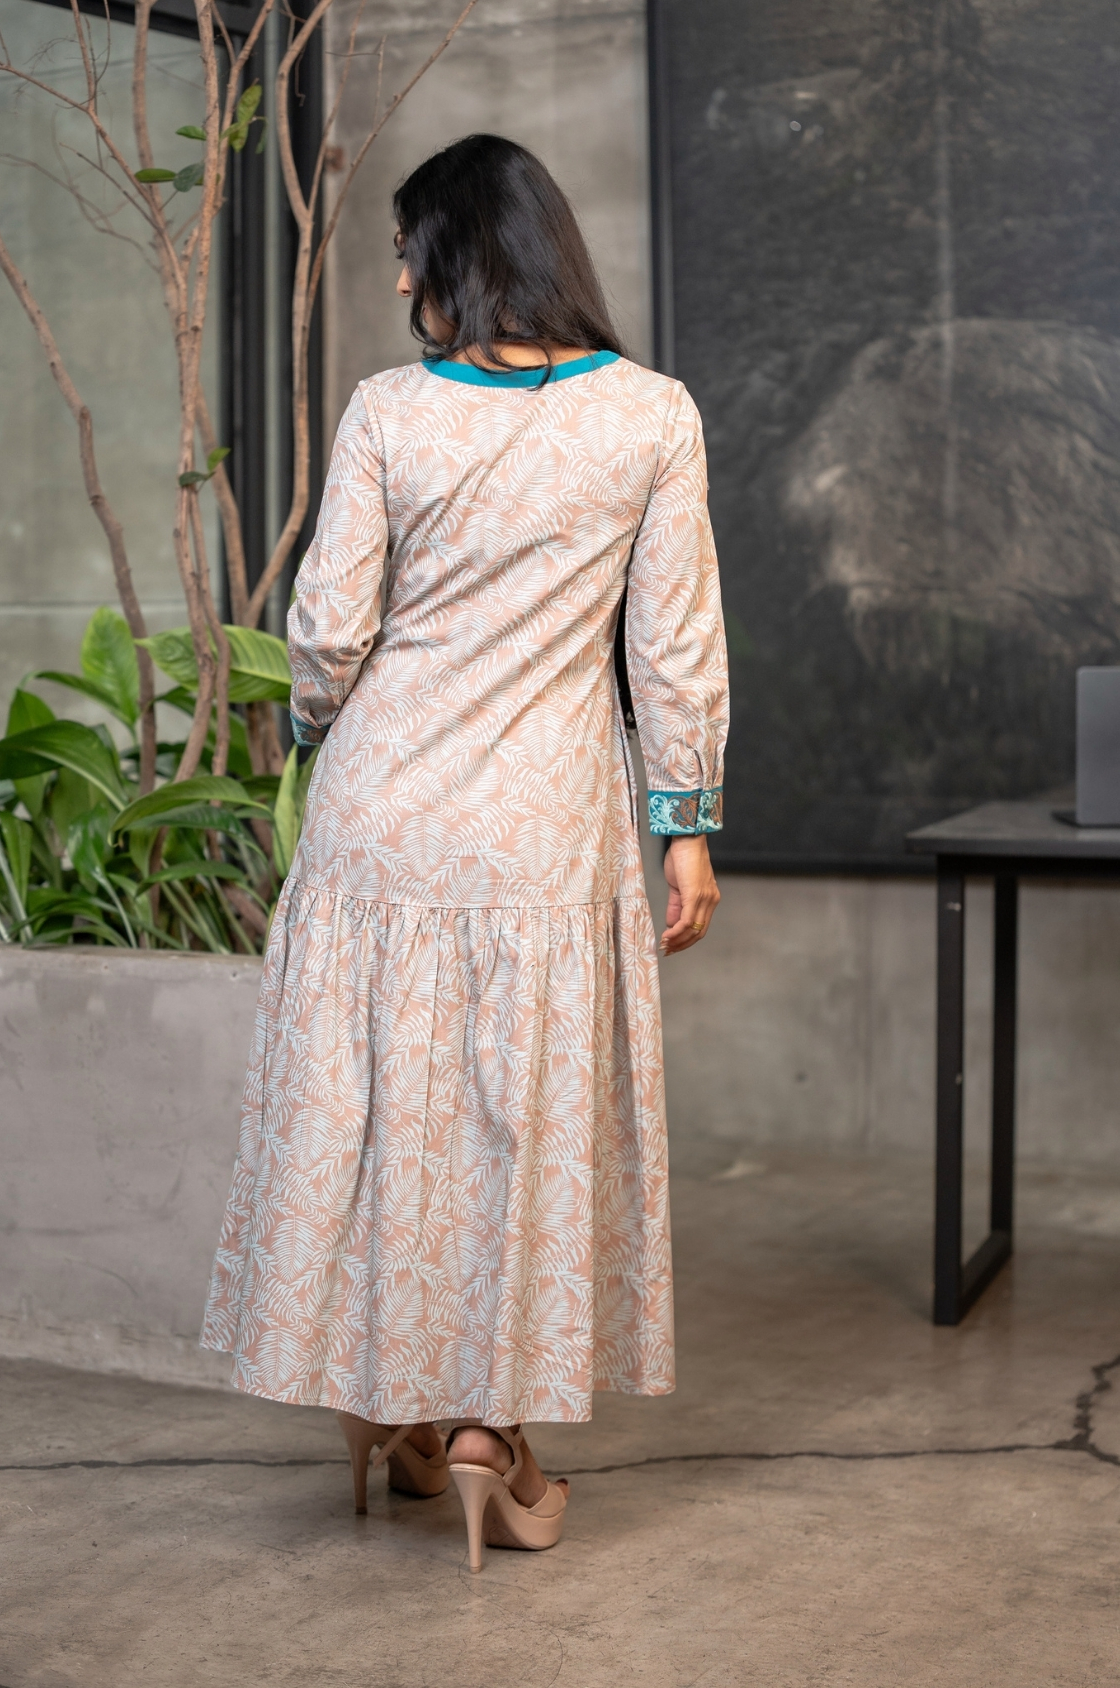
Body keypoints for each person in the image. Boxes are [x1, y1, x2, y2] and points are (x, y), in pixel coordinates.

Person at [201, 133, 728, 1573]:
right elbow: (673, 648)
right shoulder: (652, 416)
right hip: (546, 833)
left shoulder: (389, 412)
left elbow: (327, 634)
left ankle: (388, 1409)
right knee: (522, 1125)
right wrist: (684, 828)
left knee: (384, 1114)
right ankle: (496, 1426)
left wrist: (319, 722)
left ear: (460, 257)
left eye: (406, 251)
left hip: (380, 825)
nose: (395, 280)